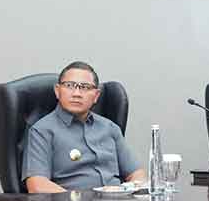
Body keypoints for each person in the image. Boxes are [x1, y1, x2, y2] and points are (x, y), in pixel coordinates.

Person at [22, 61, 146, 193]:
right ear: (57, 91)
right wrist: (81, 200)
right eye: (69, 86)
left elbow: (137, 174)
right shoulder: (42, 131)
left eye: (85, 87)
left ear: (96, 96)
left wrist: (124, 191)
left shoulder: (110, 128)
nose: (77, 93)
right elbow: (37, 185)